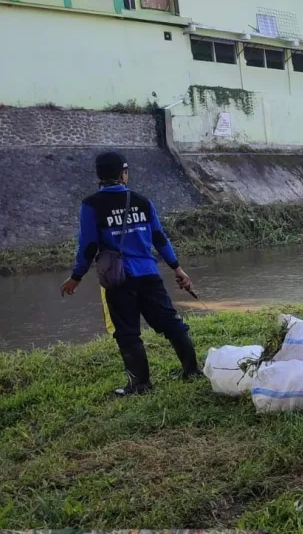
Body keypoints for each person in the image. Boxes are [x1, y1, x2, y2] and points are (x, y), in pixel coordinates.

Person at [59, 151, 200, 396]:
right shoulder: (142, 201)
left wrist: (76, 277)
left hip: (118, 279)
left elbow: (89, 245)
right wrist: (177, 268)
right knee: (169, 321)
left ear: (99, 175)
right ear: (123, 173)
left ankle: (140, 384)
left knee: (127, 332)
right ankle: (191, 370)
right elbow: (159, 238)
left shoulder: (91, 205)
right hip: (149, 273)